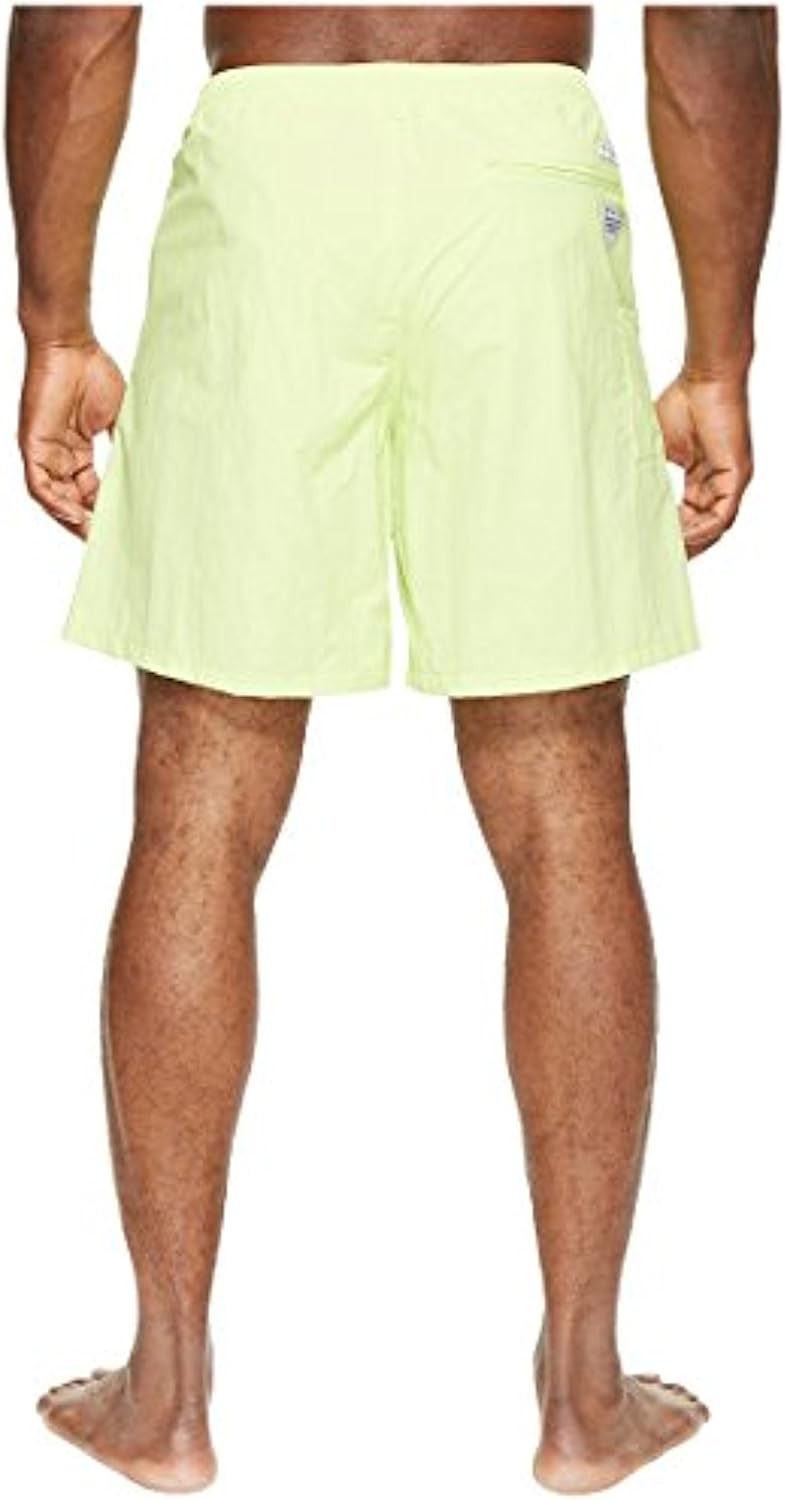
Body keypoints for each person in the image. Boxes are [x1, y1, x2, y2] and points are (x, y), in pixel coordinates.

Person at [6, 4, 778, 1494]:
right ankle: (585, 1394)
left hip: (275, 161)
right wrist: (721, 354)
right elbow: (708, 20)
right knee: (564, 805)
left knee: (199, 796)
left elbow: (82, 20)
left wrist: (54, 323)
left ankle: (166, 1391)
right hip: (519, 165)